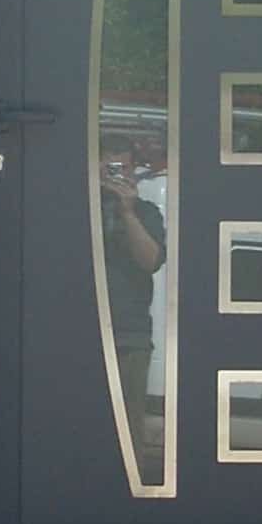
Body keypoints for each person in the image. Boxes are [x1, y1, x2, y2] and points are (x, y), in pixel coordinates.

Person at [100, 144, 166, 469]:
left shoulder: (147, 213)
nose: (118, 176)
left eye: (123, 169)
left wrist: (127, 212)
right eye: (110, 169)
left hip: (130, 338)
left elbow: (151, 260)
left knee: (128, 430)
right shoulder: (80, 206)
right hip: (80, 333)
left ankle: (129, 500)